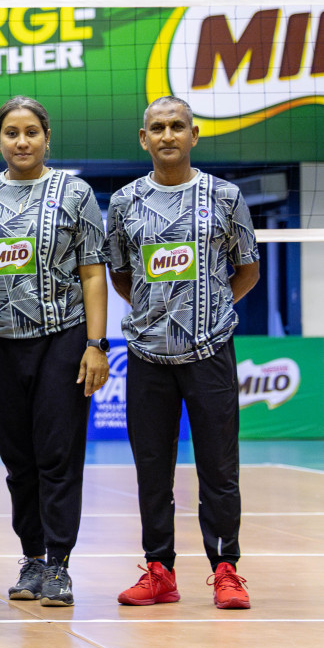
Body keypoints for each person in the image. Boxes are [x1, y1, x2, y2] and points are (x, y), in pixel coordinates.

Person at [105, 95, 259, 610]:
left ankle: (226, 570)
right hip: (148, 355)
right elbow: (123, 277)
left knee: (219, 465)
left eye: (178, 126)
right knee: (152, 467)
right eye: (158, 127)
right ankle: (159, 569)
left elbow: (247, 269)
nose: (168, 134)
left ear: (194, 136)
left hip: (210, 350)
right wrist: (160, 314)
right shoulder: (124, 203)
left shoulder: (226, 196)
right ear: (143, 139)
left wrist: (206, 309)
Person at [0, 96, 108, 607]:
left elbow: (93, 271)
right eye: (11, 132)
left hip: (62, 338)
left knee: (58, 453)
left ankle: (59, 564)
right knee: (17, 459)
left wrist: (96, 344)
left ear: (47, 136)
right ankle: (31, 558)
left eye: (31, 131)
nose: (22, 141)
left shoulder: (75, 192)